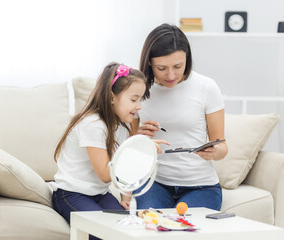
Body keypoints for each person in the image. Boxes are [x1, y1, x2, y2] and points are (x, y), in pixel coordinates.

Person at [51, 62, 168, 232]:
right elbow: (106, 174)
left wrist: (125, 196)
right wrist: (139, 150)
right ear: (112, 97)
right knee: (107, 232)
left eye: (140, 100)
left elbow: (123, 173)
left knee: (131, 229)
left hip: (100, 195)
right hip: (70, 194)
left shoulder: (121, 126)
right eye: (134, 99)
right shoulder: (93, 124)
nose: (139, 106)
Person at [133, 24, 228, 211]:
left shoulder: (207, 87)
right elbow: (126, 147)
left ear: (187, 59)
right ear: (149, 63)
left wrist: (216, 152)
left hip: (202, 186)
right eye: (161, 68)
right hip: (154, 183)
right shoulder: (138, 89)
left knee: (185, 227)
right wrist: (137, 136)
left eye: (178, 66)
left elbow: (223, 147)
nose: (170, 75)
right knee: (151, 226)